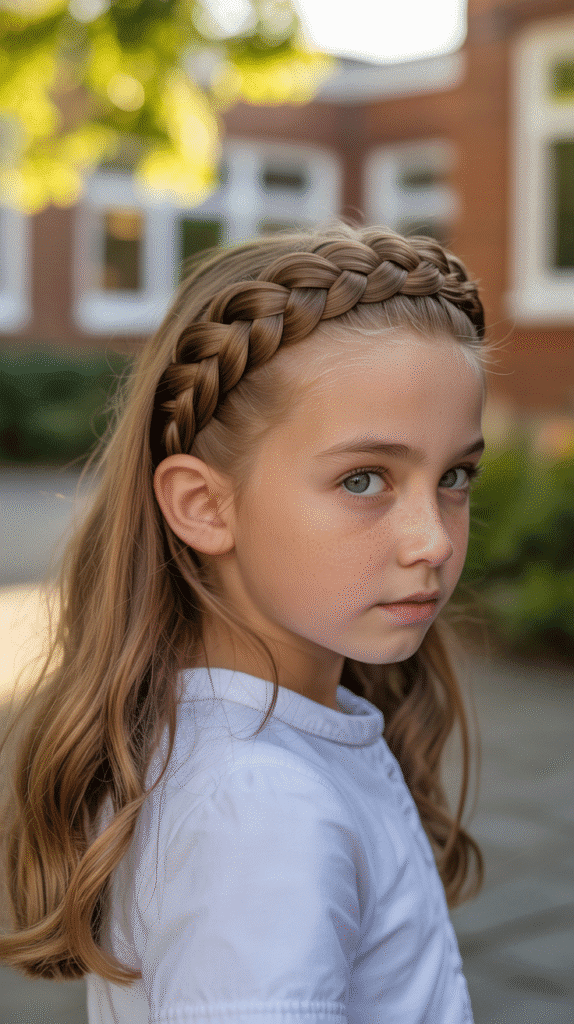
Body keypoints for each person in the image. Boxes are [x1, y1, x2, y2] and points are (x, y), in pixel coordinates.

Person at [0, 221, 489, 1023]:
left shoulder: (243, 749)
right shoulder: (262, 811)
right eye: (365, 479)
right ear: (204, 505)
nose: (433, 539)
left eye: (456, 476)